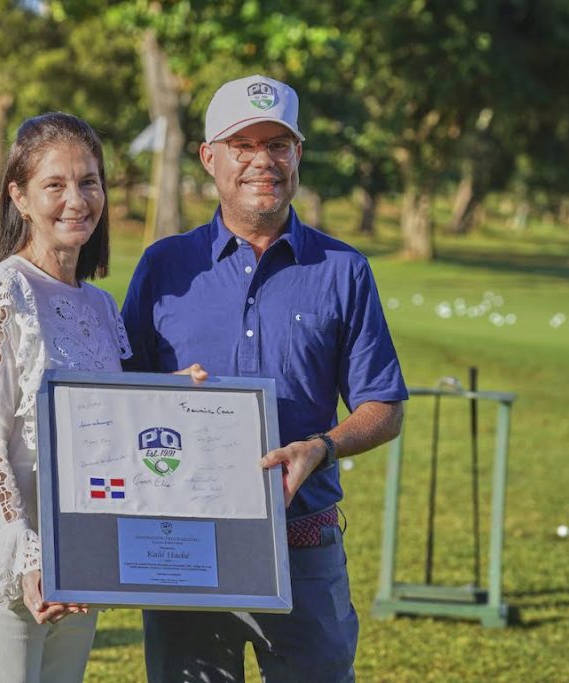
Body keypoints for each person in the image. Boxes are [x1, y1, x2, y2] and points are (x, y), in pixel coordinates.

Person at [121, 75, 408, 682]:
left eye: (278, 144)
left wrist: (323, 446)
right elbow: (117, 401)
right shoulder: (164, 266)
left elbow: (383, 404)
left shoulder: (343, 269)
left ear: (298, 154)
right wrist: (160, 398)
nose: (262, 161)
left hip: (305, 546)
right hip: (187, 547)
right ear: (209, 158)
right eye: (242, 145)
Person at [0, 112, 131, 683]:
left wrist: (187, 396)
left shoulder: (102, 308)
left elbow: (116, 436)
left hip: (77, 567)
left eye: (90, 182)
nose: (77, 200)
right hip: (3, 569)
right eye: (55, 184)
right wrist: (30, 558)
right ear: (18, 196)